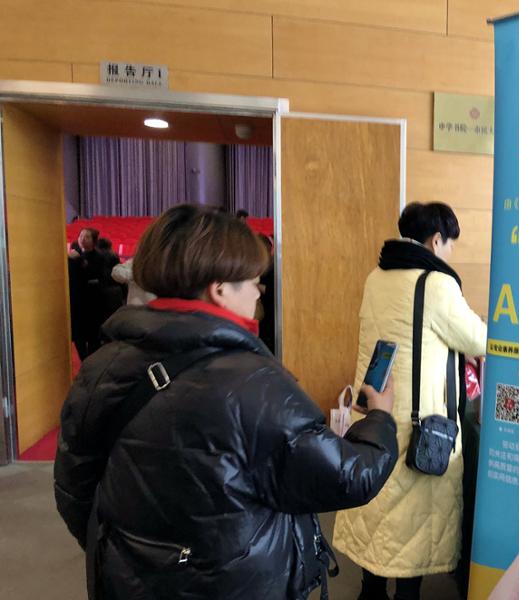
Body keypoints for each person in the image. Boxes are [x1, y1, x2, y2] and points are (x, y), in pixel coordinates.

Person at [54, 204, 400, 600]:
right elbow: (349, 477)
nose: (258, 291)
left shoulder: (101, 365)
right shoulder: (257, 385)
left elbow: (75, 488)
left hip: (127, 582)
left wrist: (132, 558)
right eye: (253, 281)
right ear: (219, 289)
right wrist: (379, 418)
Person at [333, 202, 487, 600]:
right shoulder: (436, 284)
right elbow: (478, 339)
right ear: (436, 240)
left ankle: (369, 592)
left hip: (375, 415)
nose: (450, 252)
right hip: (419, 427)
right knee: (412, 524)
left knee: (377, 509)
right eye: (450, 244)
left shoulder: (376, 277)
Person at [68, 227, 107, 359]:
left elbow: (93, 276)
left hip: (92, 302)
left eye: (87, 237)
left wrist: (78, 260)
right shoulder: (74, 255)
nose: (82, 239)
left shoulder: (99, 257)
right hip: (76, 301)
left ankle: (91, 361)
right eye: (81, 236)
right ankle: (84, 360)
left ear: (94, 241)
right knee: (77, 336)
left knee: (92, 337)